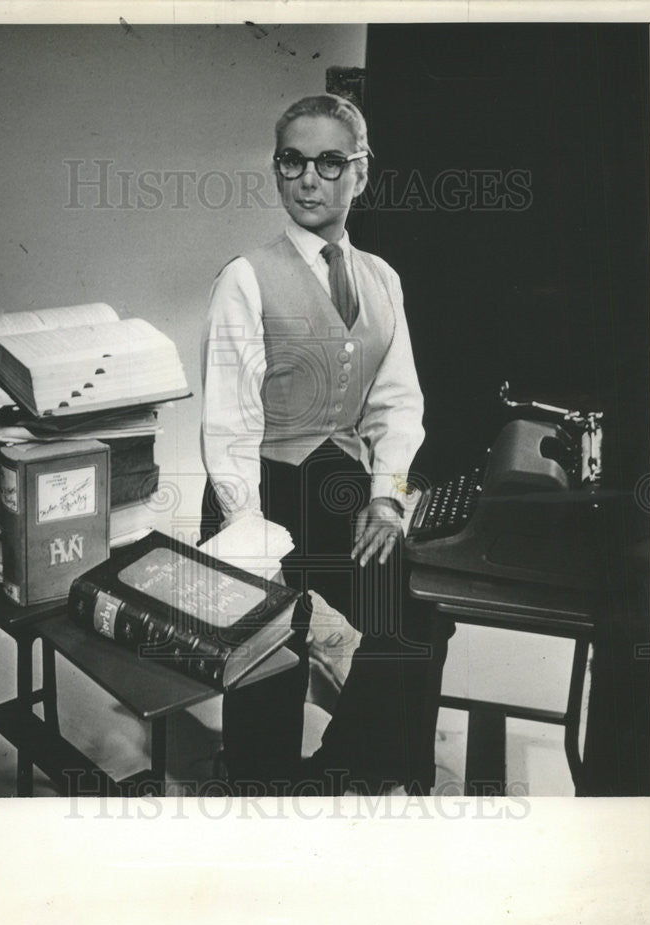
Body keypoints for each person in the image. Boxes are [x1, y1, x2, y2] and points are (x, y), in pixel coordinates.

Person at [200, 94, 451, 795]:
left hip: (340, 484)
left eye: (329, 162)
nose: (308, 179)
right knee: (268, 645)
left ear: (360, 174)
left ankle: (351, 772)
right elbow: (228, 421)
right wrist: (250, 535)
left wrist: (388, 497)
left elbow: (398, 400)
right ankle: (262, 793)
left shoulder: (382, 279)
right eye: (292, 161)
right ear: (278, 172)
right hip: (256, 489)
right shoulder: (244, 278)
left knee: (416, 610)